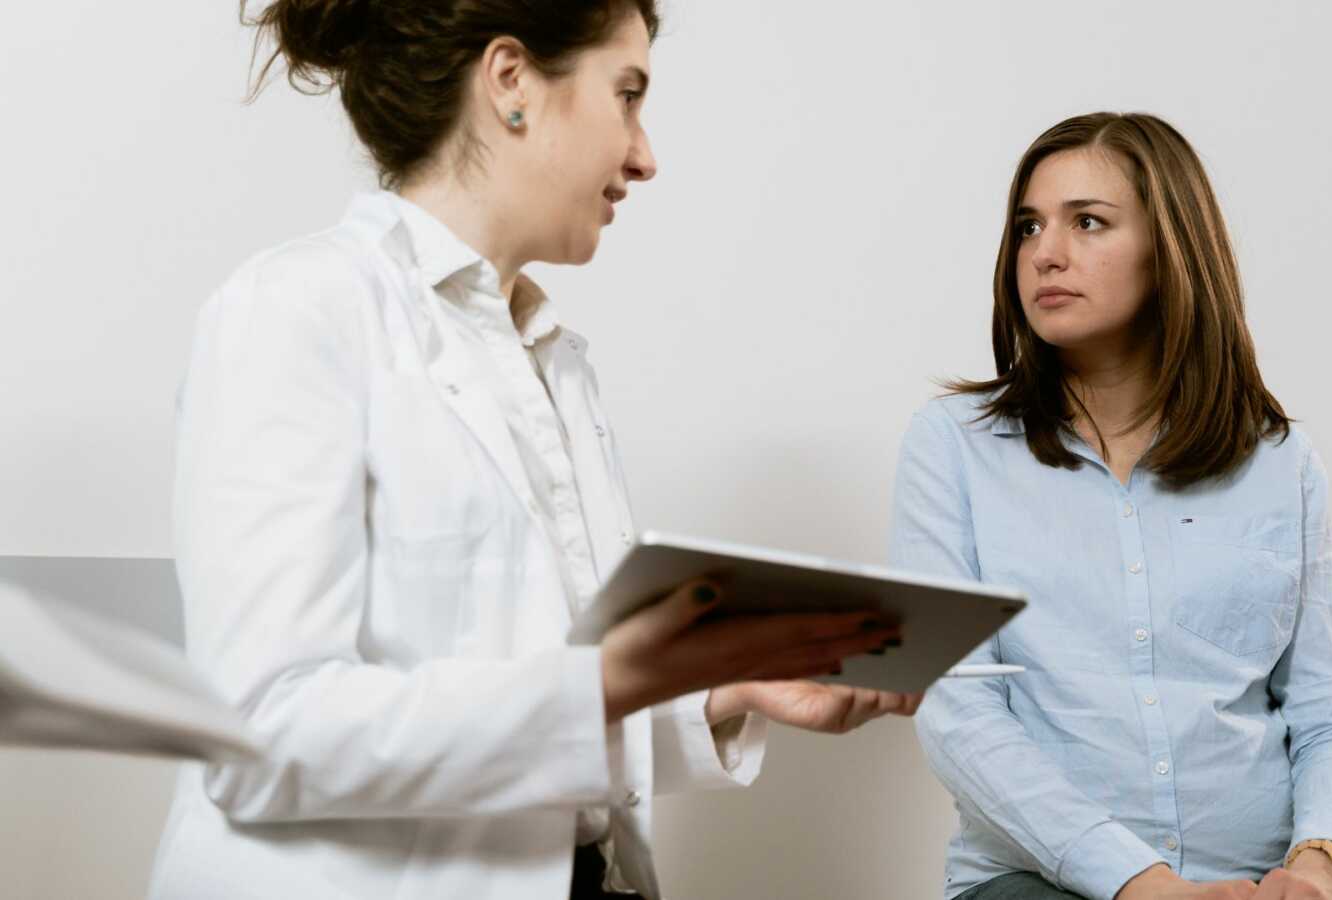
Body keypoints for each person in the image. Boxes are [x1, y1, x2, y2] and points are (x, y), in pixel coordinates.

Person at [148, 2, 918, 897]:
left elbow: (535, 715)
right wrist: (605, 680)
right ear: (511, 82)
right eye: (626, 95)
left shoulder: (550, 359)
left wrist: (728, 686)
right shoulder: (294, 311)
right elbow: (263, 735)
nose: (644, 155)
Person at [891, 112, 1332, 900]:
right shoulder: (953, 445)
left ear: (1171, 250)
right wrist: (1143, 883)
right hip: (1040, 883)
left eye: (1087, 222)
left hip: (1263, 881)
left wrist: (1322, 865)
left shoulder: (1279, 462)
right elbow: (958, 712)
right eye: (1029, 226)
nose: (1045, 254)